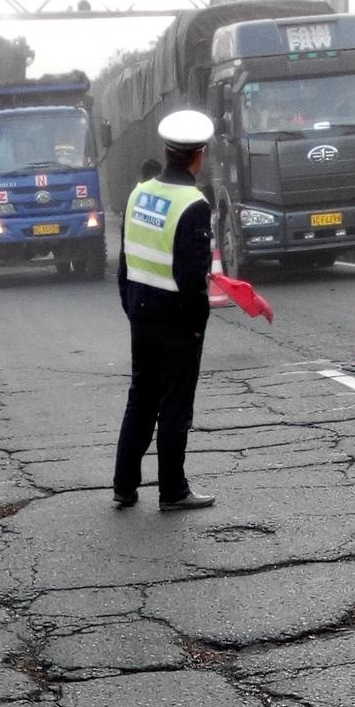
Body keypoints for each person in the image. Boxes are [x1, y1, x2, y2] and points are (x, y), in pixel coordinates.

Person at [112, 111, 216, 512]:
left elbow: (125, 260)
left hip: (141, 309)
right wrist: (196, 326)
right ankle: (173, 490)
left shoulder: (138, 194)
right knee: (174, 404)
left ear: (167, 151)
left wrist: (132, 307)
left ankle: (124, 485)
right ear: (198, 156)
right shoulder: (194, 203)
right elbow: (193, 276)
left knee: (140, 397)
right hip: (176, 317)